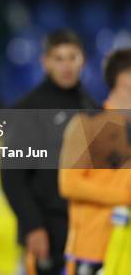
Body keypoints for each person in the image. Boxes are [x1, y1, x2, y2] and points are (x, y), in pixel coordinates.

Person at [0, 29, 98, 275]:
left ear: (83, 60)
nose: (66, 66)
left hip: (87, 233)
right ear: (45, 63)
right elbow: (12, 177)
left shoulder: (93, 109)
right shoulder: (28, 109)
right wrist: (33, 226)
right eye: (59, 58)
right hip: (46, 232)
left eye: (72, 57)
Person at [58, 48, 131, 275]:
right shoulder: (86, 125)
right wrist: (124, 196)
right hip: (94, 250)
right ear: (124, 79)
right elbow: (69, 183)